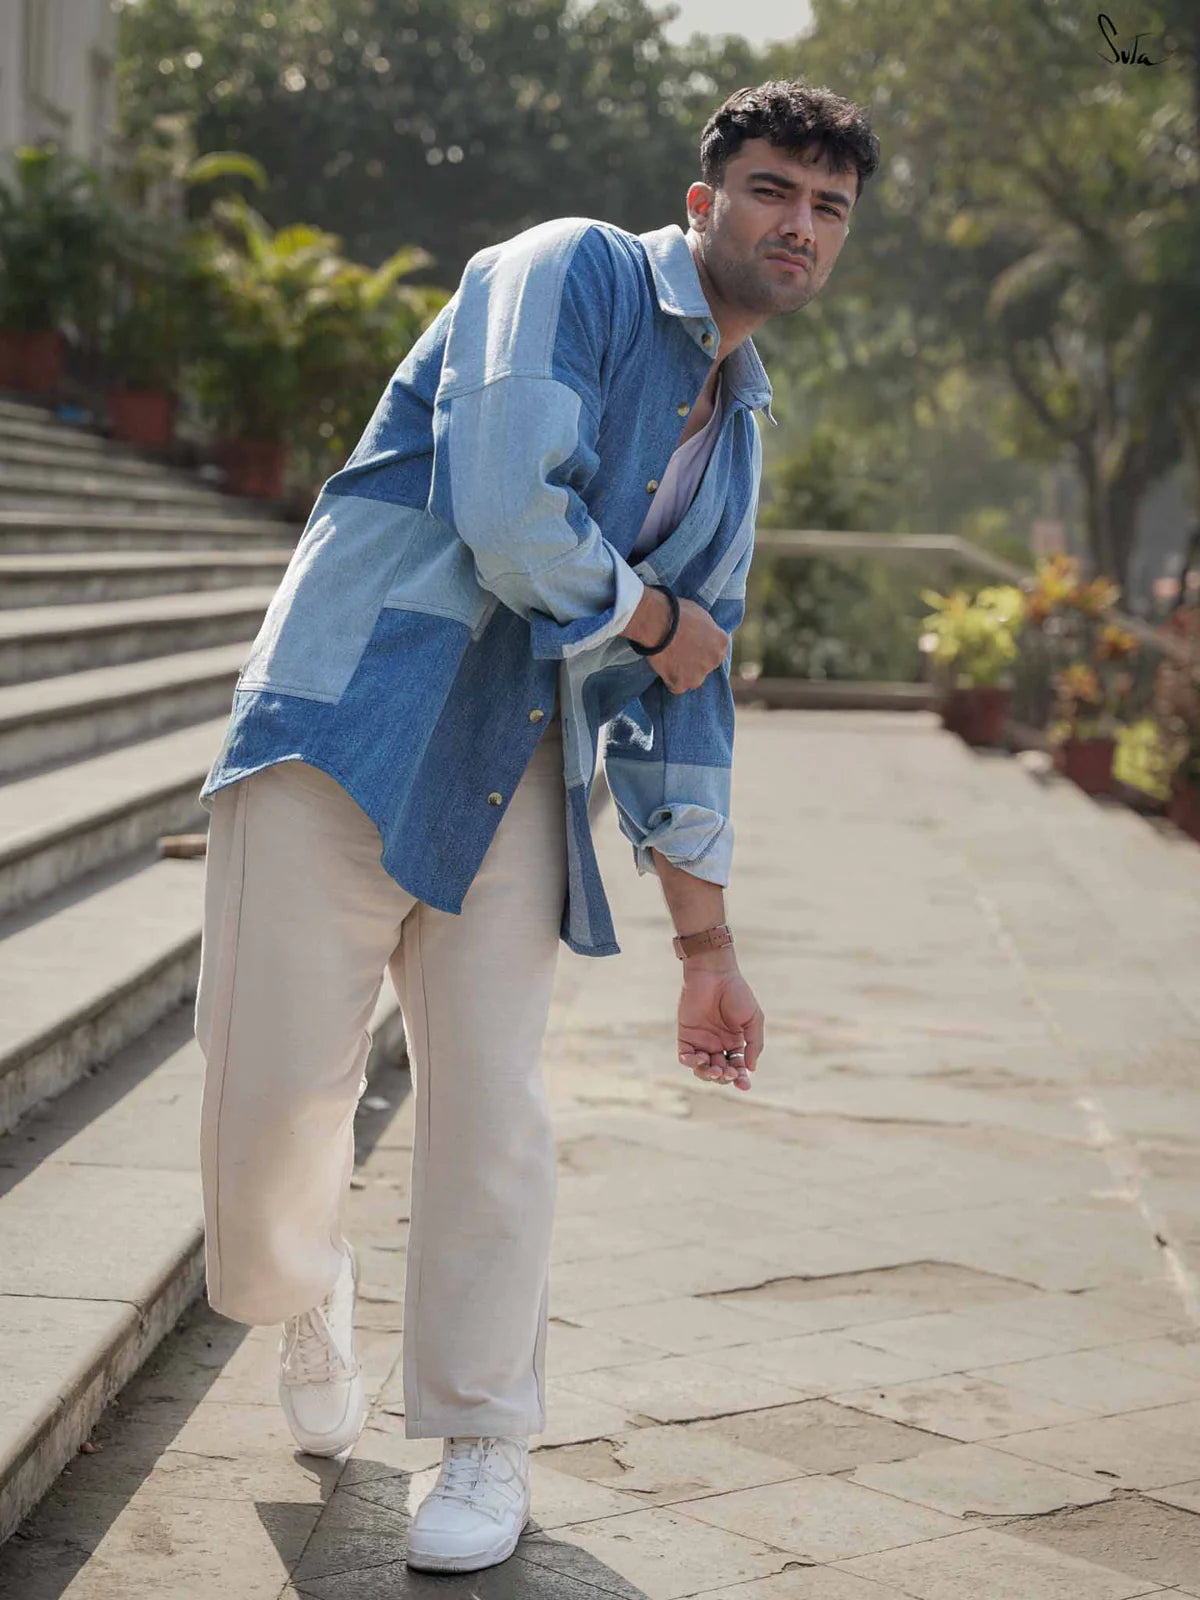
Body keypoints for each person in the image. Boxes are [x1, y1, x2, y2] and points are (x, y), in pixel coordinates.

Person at [192, 78, 878, 1575]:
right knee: (262, 1114)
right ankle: (305, 1287)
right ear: (705, 203)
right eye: (772, 190)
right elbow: (508, 508)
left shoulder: (742, 439)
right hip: (348, 726)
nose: (799, 225)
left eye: (828, 208)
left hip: (515, 770)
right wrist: (648, 611)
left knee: (493, 1113)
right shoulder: (562, 269)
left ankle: (483, 1434)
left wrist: (709, 947)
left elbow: (693, 690)